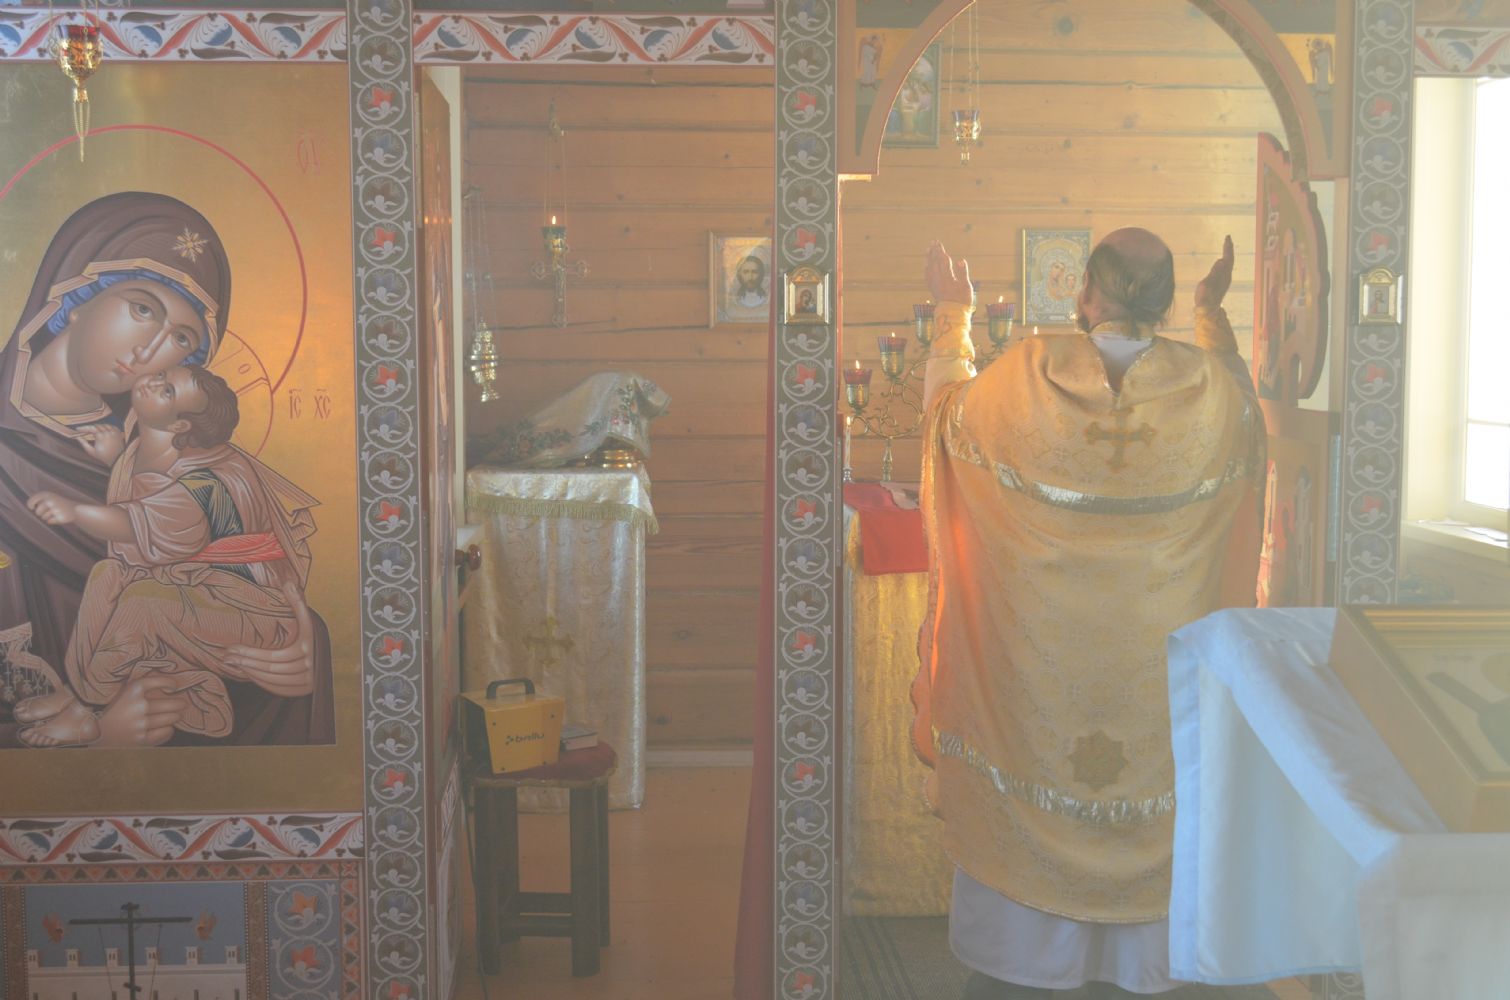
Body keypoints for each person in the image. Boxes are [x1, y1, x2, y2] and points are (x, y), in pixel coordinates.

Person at [911, 230, 1265, 998]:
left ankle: (1027, 964)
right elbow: (1248, 420)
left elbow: (946, 421)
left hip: (1041, 680)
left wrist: (951, 316)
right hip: (1153, 677)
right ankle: (1143, 967)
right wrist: (1213, 320)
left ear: (1084, 293)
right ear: (1165, 301)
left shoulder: (1025, 376)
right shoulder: (1208, 391)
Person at [0, 192, 332, 747]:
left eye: (180, 339)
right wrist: (99, 739)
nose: (149, 350)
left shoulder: (181, 462)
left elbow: (249, 576)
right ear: (74, 293)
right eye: (142, 309)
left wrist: (303, 653)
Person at [19, 365, 320, 747]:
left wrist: (75, 512)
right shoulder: (158, 454)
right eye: (163, 377)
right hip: (200, 591)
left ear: (180, 426)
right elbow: (154, 497)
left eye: (167, 391)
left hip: (250, 610)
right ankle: (79, 689)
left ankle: (86, 710)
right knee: (107, 575)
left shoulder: (211, 480)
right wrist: (116, 459)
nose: (153, 381)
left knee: (143, 603)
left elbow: (140, 522)